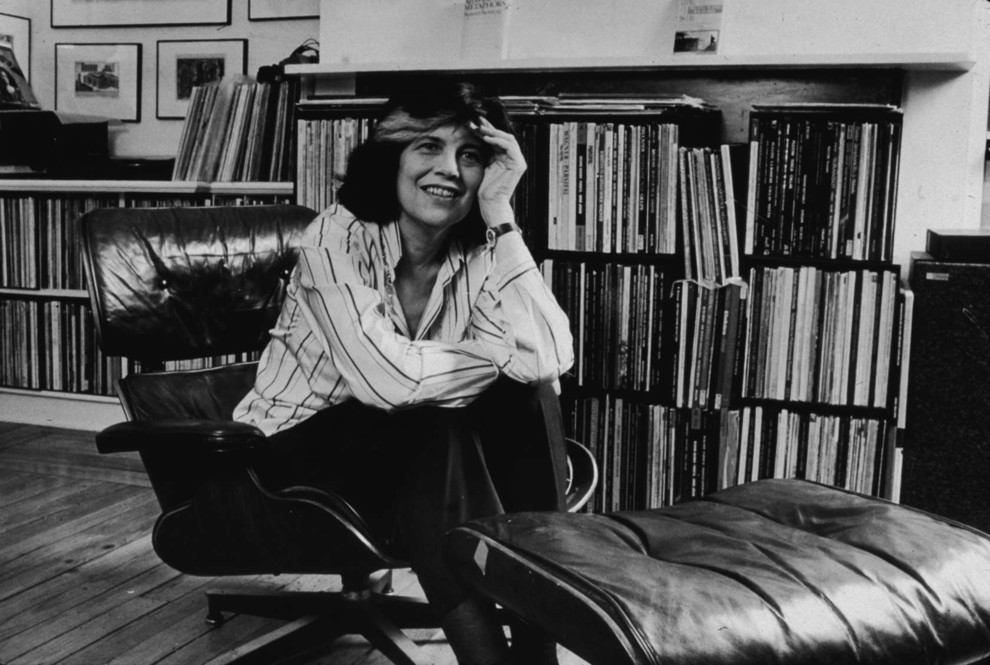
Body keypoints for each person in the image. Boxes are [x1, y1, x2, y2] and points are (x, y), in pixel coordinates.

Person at [233, 80, 574, 665]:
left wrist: (500, 213)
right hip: (288, 460)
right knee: (433, 425)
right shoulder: (334, 237)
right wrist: (494, 359)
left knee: (527, 399)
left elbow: (547, 360)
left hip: (403, 457)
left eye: (471, 155)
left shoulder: (482, 247)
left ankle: (536, 649)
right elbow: (388, 384)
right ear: (391, 156)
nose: (450, 170)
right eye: (428, 146)